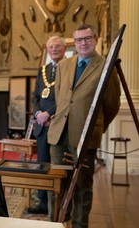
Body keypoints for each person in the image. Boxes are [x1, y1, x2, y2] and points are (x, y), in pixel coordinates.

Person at [47, 24, 121, 227]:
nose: (83, 43)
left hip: (85, 136)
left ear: (95, 39)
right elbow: (61, 98)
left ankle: (80, 225)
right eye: (79, 40)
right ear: (74, 43)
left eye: (87, 38)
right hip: (59, 135)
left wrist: (98, 127)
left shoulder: (105, 67)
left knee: (82, 186)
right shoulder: (64, 65)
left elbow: (112, 104)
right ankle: (57, 222)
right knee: (57, 183)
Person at [29, 36, 66, 216]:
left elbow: (66, 98)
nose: (54, 49)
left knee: (57, 166)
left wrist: (48, 113)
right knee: (42, 163)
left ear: (64, 48)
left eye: (57, 46)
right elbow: (36, 96)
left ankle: (59, 205)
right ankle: (42, 203)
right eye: (51, 47)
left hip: (58, 124)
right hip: (42, 125)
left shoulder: (69, 69)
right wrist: (37, 114)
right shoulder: (43, 70)